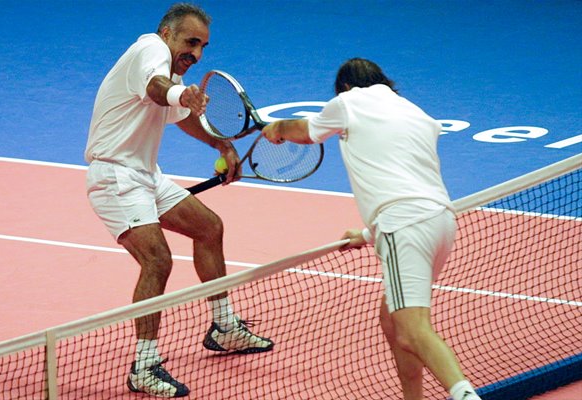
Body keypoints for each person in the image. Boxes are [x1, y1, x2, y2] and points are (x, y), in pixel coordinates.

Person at [262, 58, 481, 400]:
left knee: (412, 330)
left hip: (404, 225)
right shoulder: (415, 112)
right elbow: (408, 184)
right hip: (441, 223)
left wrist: (277, 128)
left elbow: (304, 131)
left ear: (345, 88)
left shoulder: (350, 101)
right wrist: (365, 235)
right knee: (392, 319)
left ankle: (465, 395)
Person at [84, 3, 273, 398]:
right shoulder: (151, 50)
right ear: (168, 33)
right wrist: (179, 92)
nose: (197, 53)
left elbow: (177, 114)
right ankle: (145, 365)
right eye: (191, 42)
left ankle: (224, 327)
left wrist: (220, 143)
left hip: (145, 175)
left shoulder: (167, 69)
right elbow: (159, 90)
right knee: (157, 259)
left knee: (209, 227)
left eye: (203, 46)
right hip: (116, 176)